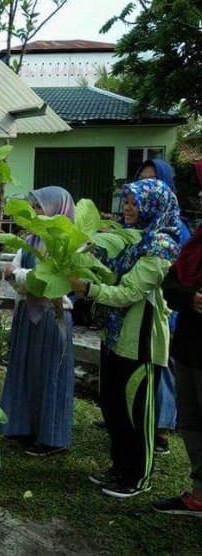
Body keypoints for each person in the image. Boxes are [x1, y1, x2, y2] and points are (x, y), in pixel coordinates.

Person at [70, 178, 181, 498]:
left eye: (135, 202)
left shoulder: (160, 246)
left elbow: (130, 292)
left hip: (141, 344)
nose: (128, 208)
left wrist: (88, 289)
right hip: (115, 336)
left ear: (153, 206)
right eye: (127, 202)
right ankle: (119, 467)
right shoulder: (126, 239)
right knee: (114, 408)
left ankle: (138, 477)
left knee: (136, 415)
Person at [0, 186, 75, 456]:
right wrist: (21, 277)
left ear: (58, 209)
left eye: (41, 207)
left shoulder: (67, 243)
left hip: (51, 317)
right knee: (26, 371)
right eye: (35, 207)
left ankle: (51, 439)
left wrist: (18, 276)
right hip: (28, 315)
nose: (36, 212)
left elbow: (44, 283)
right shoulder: (32, 239)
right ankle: (25, 427)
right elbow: (19, 274)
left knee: (49, 376)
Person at [151, 185, 202, 516]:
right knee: (193, 423)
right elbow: (171, 284)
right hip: (190, 346)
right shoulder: (197, 240)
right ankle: (199, 495)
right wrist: (190, 297)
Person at [135, 159, 192, 453]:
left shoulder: (176, 228)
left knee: (163, 366)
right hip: (137, 311)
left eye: (154, 182)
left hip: (166, 310)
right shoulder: (136, 224)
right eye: (142, 182)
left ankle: (162, 429)